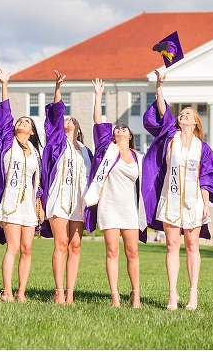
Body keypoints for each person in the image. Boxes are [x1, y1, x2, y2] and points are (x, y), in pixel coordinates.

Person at [142, 70, 213, 311]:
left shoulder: (203, 148)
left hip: (194, 202)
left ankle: (193, 293)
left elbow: (207, 178)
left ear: (195, 122)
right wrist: (159, 87)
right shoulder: (171, 137)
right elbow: (162, 112)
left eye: (187, 113)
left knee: (192, 246)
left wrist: (207, 204)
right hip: (170, 199)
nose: (183, 114)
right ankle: (172, 293)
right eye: (181, 113)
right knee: (171, 246)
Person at [0, 69, 50, 302]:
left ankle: (21, 292)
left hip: (28, 206)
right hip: (10, 203)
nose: (21, 122)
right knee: (13, 247)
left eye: (26, 122)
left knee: (27, 249)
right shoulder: (7, 141)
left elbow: (38, 181)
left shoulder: (35, 152)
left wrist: (39, 202)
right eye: (20, 121)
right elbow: (5, 114)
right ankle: (6, 291)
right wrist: (5, 84)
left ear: (32, 131)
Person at [82, 78, 147, 308]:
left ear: (130, 135)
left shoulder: (139, 157)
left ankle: (136, 294)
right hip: (109, 207)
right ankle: (115, 296)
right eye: (117, 128)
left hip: (129, 209)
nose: (119, 129)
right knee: (112, 251)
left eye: (123, 128)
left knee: (132, 251)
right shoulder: (106, 151)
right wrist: (98, 95)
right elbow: (97, 121)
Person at [43, 70, 93, 305]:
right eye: (66, 119)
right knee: (61, 244)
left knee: (75, 245)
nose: (69, 120)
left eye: (73, 119)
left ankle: (70, 292)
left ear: (79, 129)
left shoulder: (86, 152)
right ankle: (58, 291)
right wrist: (58, 88)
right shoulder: (56, 144)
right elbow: (55, 115)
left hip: (78, 202)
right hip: (58, 198)